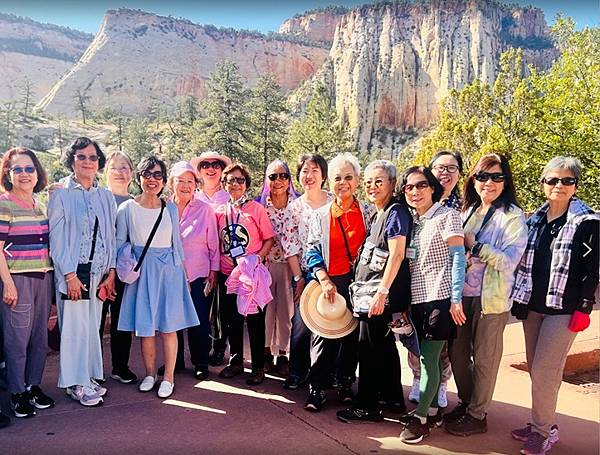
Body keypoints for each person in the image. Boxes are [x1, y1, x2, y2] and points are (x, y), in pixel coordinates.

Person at [510, 156, 598, 455]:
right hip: (533, 304)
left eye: (567, 180)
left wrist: (584, 306)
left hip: (564, 309)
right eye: (553, 180)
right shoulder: (535, 220)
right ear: (543, 184)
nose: (559, 185)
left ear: (575, 186)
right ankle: (543, 422)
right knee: (537, 369)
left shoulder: (587, 222)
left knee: (545, 371)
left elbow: (592, 269)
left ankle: (542, 432)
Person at [444, 153, 527, 436]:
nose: (488, 183)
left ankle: (477, 415)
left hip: (491, 299)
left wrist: (477, 247)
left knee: (484, 359)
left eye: (496, 177)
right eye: (482, 176)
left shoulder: (512, 216)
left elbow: (509, 261)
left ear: (505, 181)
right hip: (462, 295)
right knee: (457, 352)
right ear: (473, 180)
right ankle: (468, 403)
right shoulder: (469, 210)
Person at [116, 156, 199, 399]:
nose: (152, 180)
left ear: (164, 180)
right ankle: (150, 374)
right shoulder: (127, 209)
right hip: (142, 272)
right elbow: (120, 244)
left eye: (158, 175)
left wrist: (183, 275)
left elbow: (176, 244)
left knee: (169, 328)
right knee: (146, 328)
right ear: (139, 177)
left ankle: (169, 377)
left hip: (169, 273)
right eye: (147, 174)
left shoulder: (169, 208)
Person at [336, 160, 409, 422]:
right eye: (368, 182)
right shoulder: (381, 213)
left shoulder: (395, 212)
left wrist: (382, 292)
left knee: (368, 349)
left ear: (392, 183)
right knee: (384, 346)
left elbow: (397, 254)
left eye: (379, 181)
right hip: (371, 293)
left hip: (378, 295)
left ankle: (366, 405)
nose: (372, 186)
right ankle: (392, 397)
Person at [48, 137, 117, 407]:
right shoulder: (61, 194)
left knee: (90, 329)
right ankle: (76, 383)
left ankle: (86, 376)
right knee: (74, 330)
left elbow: (111, 236)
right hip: (74, 274)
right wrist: (69, 275)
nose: (88, 162)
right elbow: (56, 239)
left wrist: (111, 272)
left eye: (93, 157)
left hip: (98, 273)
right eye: (81, 157)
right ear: (72, 160)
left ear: (99, 162)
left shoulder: (105, 195)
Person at [398, 166, 464, 444]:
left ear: (433, 188)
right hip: (417, 299)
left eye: (421, 185)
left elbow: (458, 257)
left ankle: (421, 419)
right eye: (409, 187)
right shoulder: (414, 221)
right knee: (431, 359)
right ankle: (433, 409)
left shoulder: (447, 215)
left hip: (440, 297)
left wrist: (456, 299)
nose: (415, 191)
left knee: (428, 359)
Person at [304, 153, 375, 412]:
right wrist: (323, 278)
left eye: (348, 177)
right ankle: (317, 387)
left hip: (360, 283)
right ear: (329, 182)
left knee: (352, 336)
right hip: (331, 281)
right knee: (323, 334)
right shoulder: (321, 215)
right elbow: (311, 249)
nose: (342, 183)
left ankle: (345, 383)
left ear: (357, 180)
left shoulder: (369, 212)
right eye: (337, 178)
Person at [0, 147, 54, 419]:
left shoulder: (39, 205)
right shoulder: (4, 204)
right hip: (18, 281)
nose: (24, 174)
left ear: (37, 173)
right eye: (17, 169)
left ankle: (33, 385)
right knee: (17, 340)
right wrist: (8, 283)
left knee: (39, 338)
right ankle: (17, 392)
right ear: (8, 174)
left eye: (29, 168)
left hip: (43, 279)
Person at [214, 163, 274, 385]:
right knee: (232, 320)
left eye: (240, 180)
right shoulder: (219, 212)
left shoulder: (256, 209)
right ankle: (236, 361)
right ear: (224, 184)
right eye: (231, 180)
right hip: (229, 274)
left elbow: (269, 238)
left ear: (246, 184)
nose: (235, 184)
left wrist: (258, 258)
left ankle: (258, 367)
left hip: (251, 275)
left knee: (256, 321)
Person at [281, 154, 332, 390]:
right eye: (304, 171)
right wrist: (298, 278)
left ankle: (330, 374)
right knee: (301, 323)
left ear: (323, 175)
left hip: (335, 273)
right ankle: (297, 372)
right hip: (305, 275)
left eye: (314, 170)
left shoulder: (334, 202)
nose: (309, 175)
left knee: (332, 323)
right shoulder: (294, 208)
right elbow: (290, 245)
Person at [168, 161, 219, 380]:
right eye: (180, 180)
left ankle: (201, 362)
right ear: (171, 183)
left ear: (195, 185)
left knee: (199, 320)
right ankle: (175, 361)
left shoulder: (204, 209)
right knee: (172, 320)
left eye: (190, 181)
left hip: (199, 273)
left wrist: (214, 270)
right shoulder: (163, 208)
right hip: (170, 274)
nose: (185, 185)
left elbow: (214, 242)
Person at [98, 151, 137, 384]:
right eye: (115, 167)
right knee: (95, 323)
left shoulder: (135, 204)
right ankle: (92, 370)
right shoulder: (98, 199)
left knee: (122, 321)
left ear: (131, 173)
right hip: (99, 272)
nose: (120, 172)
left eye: (125, 167)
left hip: (125, 272)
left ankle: (120, 367)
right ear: (106, 172)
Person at [257, 160, 299, 375]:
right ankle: (265, 352)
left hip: (290, 266)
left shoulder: (298, 205)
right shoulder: (260, 206)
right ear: (266, 180)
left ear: (289, 179)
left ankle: (283, 353)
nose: (278, 180)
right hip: (265, 265)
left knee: (286, 311)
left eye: (283, 176)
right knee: (266, 311)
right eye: (273, 176)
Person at [190, 151, 231, 367]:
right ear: (199, 171)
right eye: (205, 165)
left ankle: (219, 347)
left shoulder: (229, 195)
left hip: (225, 261)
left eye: (216, 164)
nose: (211, 168)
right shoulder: (193, 197)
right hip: (200, 262)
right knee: (201, 308)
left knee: (221, 309)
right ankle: (201, 351)